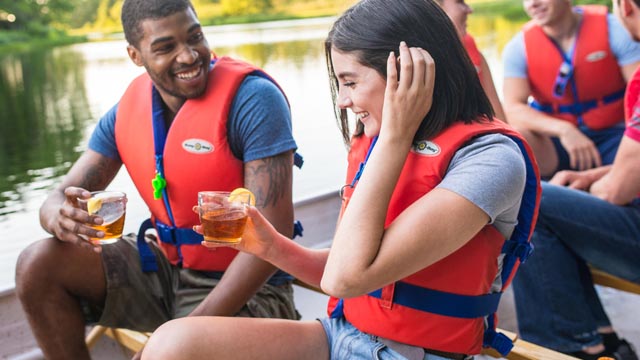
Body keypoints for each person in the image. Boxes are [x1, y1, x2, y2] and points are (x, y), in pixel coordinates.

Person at [140, 0, 541, 359]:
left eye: (349, 82)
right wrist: (270, 246)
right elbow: (348, 269)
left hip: (418, 353)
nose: (343, 101)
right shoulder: (376, 143)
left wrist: (395, 136)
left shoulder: (491, 160)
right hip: (340, 337)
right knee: (172, 343)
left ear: (408, 73)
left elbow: (344, 278)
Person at [14, 0, 301, 359]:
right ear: (135, 55)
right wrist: (57, 215)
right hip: (166, 269)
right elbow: (58, 196)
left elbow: (274, 237)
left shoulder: (255, 100)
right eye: (166, 47)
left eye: (194, 36)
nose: (188, 56)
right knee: (36, 265)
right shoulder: (127, 112)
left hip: (253, 288)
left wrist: (176, 337)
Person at [511, 0, 640, 358]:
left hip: (622, 171)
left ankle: (575, 345)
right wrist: (590, 177)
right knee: (546, 206)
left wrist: (595, 188)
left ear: (625, 6)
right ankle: (601, 340)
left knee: (528, 198)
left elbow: (617, 192)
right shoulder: (519, 46)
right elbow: (513, 106)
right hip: (614, 164)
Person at [502, 0, 640, 178]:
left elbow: (637, 93)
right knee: (515, 139)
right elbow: (513, 107)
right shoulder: (517, 48)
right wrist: (564, 130)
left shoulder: (616, 29)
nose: (533, 4)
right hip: (558, 140)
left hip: (616, 134)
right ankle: (540, 193)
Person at [438, 0, 508, 123]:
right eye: (460, 2)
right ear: (436, 9)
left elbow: (498, 115)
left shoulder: (474, 53)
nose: (469, 10)